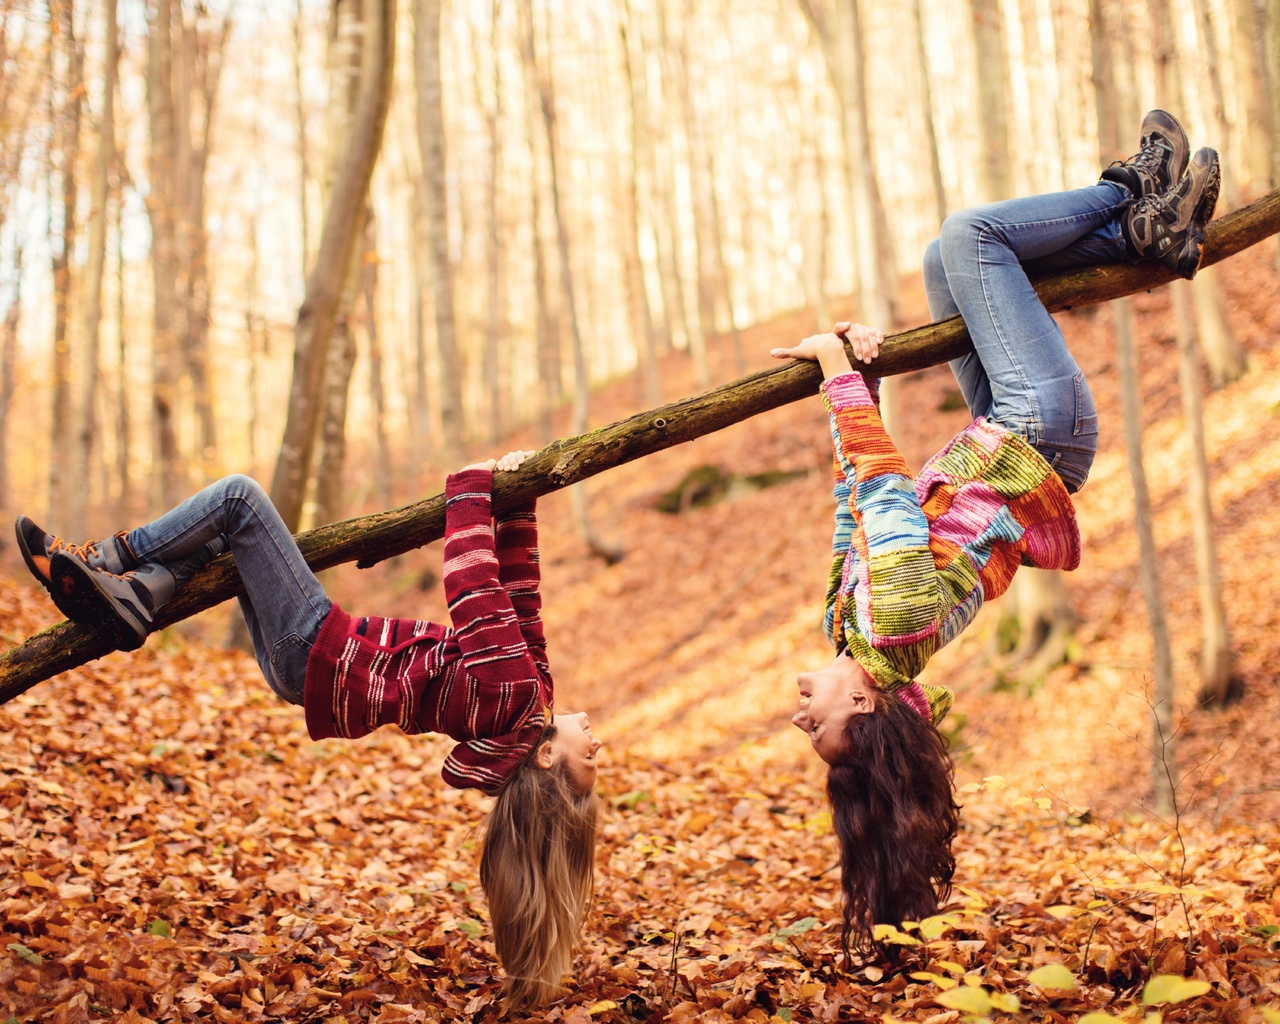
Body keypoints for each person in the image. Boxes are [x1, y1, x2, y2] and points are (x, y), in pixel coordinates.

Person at [769, 111, 1219, 961]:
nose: (801, 720)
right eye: (818, 730)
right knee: (971, 235)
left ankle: (1146, 234)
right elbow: (884, 488)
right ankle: (1130, 194)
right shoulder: (893, 631)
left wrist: (856, 371)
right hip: (1037, 432)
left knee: (946, 264)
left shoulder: (849, 630)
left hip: (998, 435)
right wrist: (837, 379)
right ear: (862, 710)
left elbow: (851, 503)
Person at [15, 450, 601, 1009]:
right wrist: (521, 499)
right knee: (219, 538)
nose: (599, 743)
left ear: (546, 757)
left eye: (590, 760)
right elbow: (521, 599)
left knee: (238, 500)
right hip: (305, 670)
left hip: (317, 647)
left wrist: (472, 487)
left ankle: (107, 559)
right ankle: (137, 595)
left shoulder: (513, 691)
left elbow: (475, 588)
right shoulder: (528, 702)